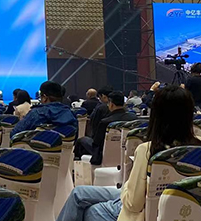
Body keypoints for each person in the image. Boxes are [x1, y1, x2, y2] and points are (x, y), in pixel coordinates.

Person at [57, 85, 201, 221]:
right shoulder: (197, 146)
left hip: (142, 210)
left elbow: (133, 204)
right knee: (79, 193)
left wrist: (127, 186)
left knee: (88, 208)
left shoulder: (148, 150)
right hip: (178, 206)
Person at [75, 90, 136, 163]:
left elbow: (96, 142)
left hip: (103, 153)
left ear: (111, 104)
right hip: (128, 153)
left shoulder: (105, 122)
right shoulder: (133, 118)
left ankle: (76, 163)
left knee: (81, 140)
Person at [11, 81, 78, 136]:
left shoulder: (36, 113)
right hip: (67, 148)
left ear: (44, 97)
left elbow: (15, 133)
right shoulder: (71, 113)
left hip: (36, 148)